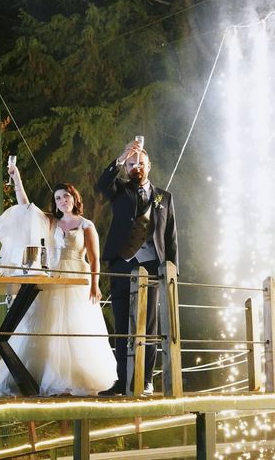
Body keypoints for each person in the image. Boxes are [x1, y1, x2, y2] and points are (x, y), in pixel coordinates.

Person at [0, 165, 117, 397]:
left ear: (74, 198)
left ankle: (71, 379)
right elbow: (26, 207)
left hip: (77, 276)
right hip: (53, 277)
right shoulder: (51, 223)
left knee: (74, 326)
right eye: (57, 198)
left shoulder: (87, 225)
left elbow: (94, 259)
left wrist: (95, 285)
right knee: (47, 324)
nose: (62, 200)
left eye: (65, 196)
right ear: (54, 203)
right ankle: (38, 376)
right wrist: (17, 177)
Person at [95, 139, 178, 396]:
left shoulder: (164, 197)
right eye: (131, 164)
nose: (136, 167)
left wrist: (172, 273)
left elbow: (171, 237)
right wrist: (120, 158)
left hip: (152, 266)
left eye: (140, 163)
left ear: (149, 166)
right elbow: (100, 187)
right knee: (122, 325)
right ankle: (123, 381)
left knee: (148, 325)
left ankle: (146, 380)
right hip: (122, 263)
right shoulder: (119, 190)